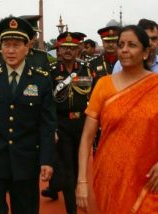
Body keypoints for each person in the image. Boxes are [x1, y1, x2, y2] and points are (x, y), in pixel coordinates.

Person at [75, 25, 158, 214]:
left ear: (145, 53)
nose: (124, 50)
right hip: (111, 178)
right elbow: (87, 138)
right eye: (121, 45)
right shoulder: (104, 85)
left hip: (152, 178)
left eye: (132, 45)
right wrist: (82, 181)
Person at [0, 16, 56, 214]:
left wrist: (47, 159)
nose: (10, 50)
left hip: (26, 159)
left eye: (16, 45)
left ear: (27, 47)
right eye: (6, 45)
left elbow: (47, 124)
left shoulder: (41, 80)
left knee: (25, 209)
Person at [45, 32, 93, 214]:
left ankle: (73, 192)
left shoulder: (86, 70)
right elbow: (47, 103)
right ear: (58, 49)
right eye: (64, 47)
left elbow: (93, 97)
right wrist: (53, 128)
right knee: (67, 168)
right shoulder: (51, 72)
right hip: (61, 123)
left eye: (72, 48)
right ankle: (71, 208)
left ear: (78, 50)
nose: (68, 51)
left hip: (82, 124)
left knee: (78, 164)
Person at [113, 19, 158, 112]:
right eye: (146, 38)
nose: (150, 43)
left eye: (154, 39)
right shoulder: (120, 65)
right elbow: (113, 101)